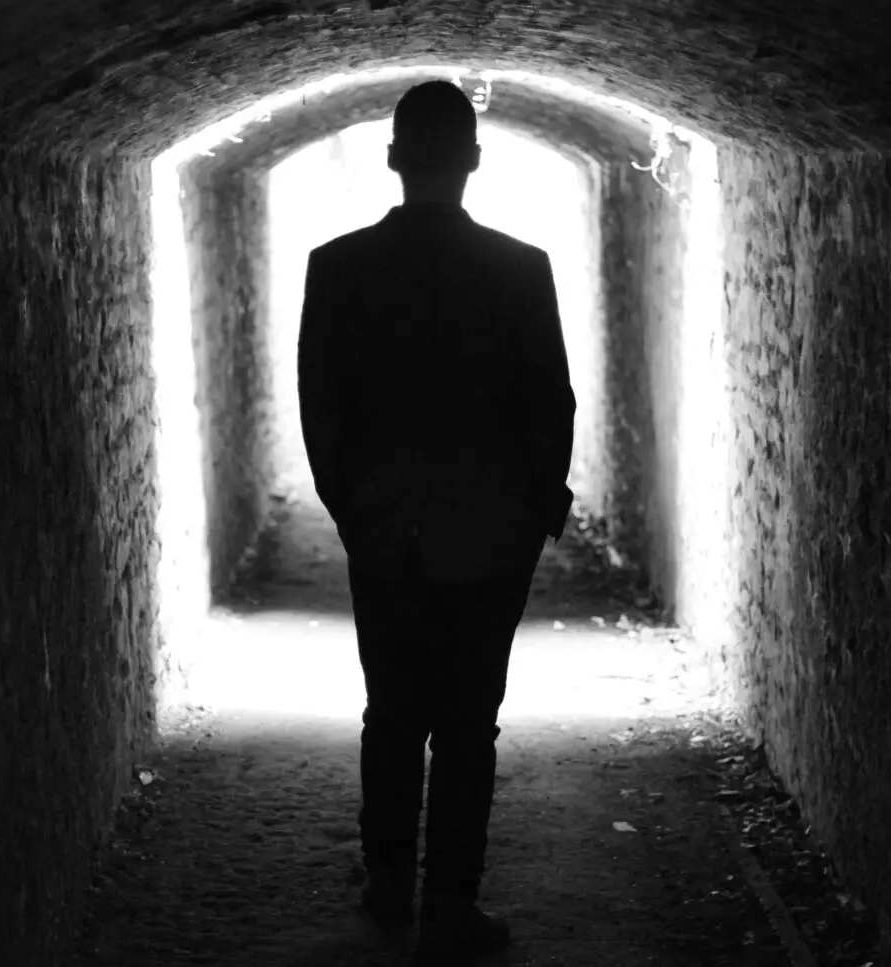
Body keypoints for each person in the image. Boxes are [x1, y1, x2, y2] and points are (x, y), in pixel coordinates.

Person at [297, 79, 576, 961]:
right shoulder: (521, 269)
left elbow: (320, 407)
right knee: (466, 725)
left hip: (387, 534)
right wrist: (538, 508)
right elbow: (551, 405)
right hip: (490, 539)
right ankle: (449, 901)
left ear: (393, 160)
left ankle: (387, 883)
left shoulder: (336, 267)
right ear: (473, 163)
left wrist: (352, 509)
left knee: (391, 712)